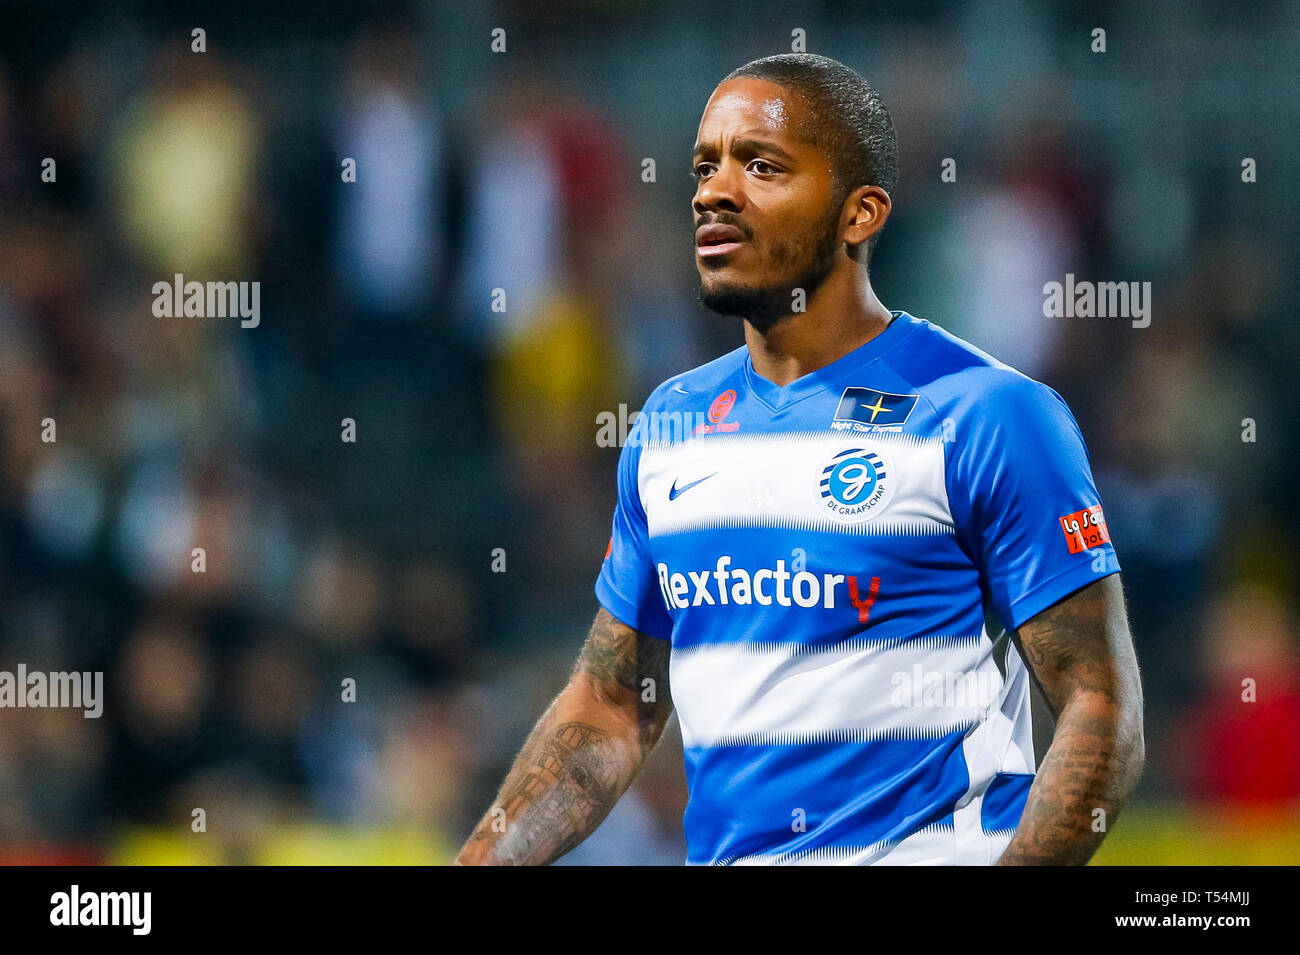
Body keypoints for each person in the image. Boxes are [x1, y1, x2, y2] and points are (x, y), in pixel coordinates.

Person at [457, 53, 1144, 866]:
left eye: (762, 166)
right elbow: (612, 706)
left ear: (860, 213)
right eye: (705, 166)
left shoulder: (988, 413)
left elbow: (1101, 708)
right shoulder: (670, 424)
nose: (715, 190)